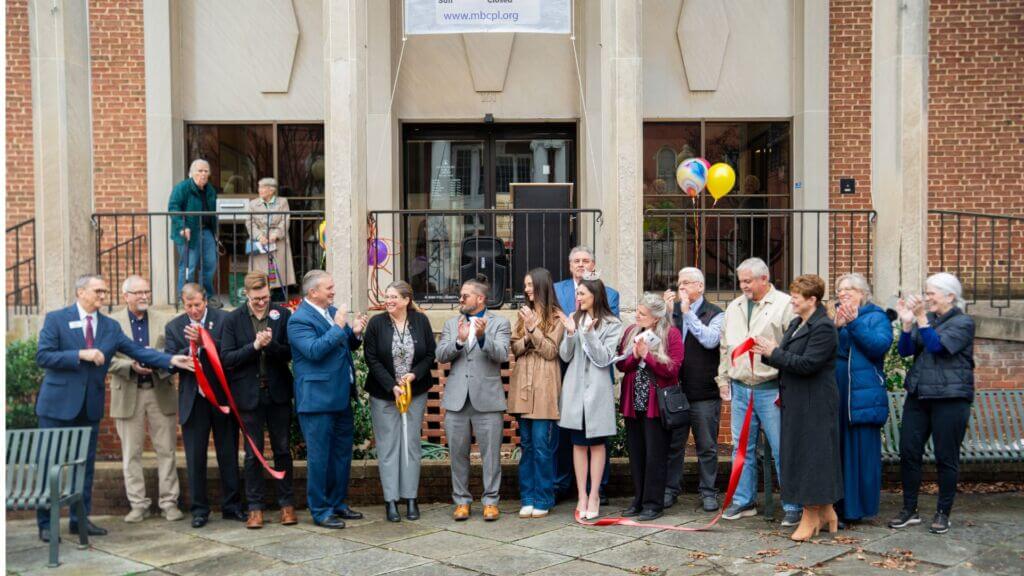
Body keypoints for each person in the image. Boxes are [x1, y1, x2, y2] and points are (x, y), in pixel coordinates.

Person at [35, 275, 193, 543]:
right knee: (49, 463)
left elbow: (137, 351)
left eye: (105, 291)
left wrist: (170, 360)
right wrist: (80, 354)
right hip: (57, 405)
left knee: (84, 466)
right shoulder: (56, 319)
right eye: (98, 291)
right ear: (81, 292)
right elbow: (43, 356)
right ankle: (45, 523)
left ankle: (79, 520)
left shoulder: (109, 326)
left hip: (90, 406)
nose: (103, 295)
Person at [717, 257, 803, 526]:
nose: (743, 286)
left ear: (764, 279)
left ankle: (793, 504)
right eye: (740, 281)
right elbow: (725, 347)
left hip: (771, 389)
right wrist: (722, 379)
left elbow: (795, 347)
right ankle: (744, 501)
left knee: (781, 448)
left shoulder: (785, 305)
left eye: (748, 281)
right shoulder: (734, 307)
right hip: (741, 387)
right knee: (741, 448)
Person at [756, 274, 842, 541]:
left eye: (796, 297)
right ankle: (827, 512)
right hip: (796, 401)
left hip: (815, 403)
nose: (791, 301)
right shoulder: (796, 323)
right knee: (802, 455)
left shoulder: (823, 328)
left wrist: (774, 353)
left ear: (812, 300)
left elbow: (807, 364)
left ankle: (811, 516)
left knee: (811, 459)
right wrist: (766, 352)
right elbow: (786, 357)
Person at [889, 273, 975, 535]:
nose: (927, 298)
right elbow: (906, 351)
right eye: (926, 293)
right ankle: (910, 510)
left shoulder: (963, 322)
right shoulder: (928, 319)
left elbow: (937, 347)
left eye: (931, 294)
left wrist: (921, 319)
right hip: (919, 395)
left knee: (946, 457)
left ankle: (943, 513)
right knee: (909, 452)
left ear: (950, 296)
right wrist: (907, 324)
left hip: (950, 398)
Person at [288, 270, 368, 529]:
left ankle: (337, 503)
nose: (333, 291)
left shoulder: (331, 311)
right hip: (316, 401)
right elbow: (314, 351)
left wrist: (355, 333)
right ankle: (320, 510)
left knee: (341, 455)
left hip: (341, 396)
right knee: (320, 458)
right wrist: (338, 327)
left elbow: (344, 345)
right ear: (313, 292)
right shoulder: (298, 320)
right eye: (329, 288)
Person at [220, 271, 296, 529]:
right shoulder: (233, 319)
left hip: (278, 393)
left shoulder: (282, 315)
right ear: (246, 295)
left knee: (282, 449)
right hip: (248, 395)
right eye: (256, 299)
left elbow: (290, 353)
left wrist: (270, 345)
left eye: (265, 297)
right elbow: (227, 358)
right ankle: (255, 507)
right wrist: (254, 346)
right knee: (253, 454)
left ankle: (287, 505)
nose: (262, 302)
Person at [165, 283, 243, 528]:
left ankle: (232, 506)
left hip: (221, 399)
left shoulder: (224, 320)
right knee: (195, 458)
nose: (194, 310)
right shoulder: (174, 326)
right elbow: (169, 361)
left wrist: (204, 341)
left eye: (197, 305)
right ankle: (199, 510)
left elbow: (230, 353)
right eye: (189, 306)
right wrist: (187, 350)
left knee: (228, 454)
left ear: (205, 301)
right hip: (193, 400)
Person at [436, 276, 512, 522]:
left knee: (491, 455)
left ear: (480, 298)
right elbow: (441, 354)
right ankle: (461, 501)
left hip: (487, 399)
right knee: (458, 454)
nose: (460, 299)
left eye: (465, 295)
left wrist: (482, 338)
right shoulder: (452, 323)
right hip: (457, 399)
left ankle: (491, 502)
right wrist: (459, 341)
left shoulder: (500, 323)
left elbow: (502, 354)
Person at [109, 276, 183, 523]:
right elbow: (106, 358)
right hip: (128, 392)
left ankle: (169, 503)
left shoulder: (164, 320)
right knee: (131, 453)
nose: (144, 296)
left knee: (167, 450)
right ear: (125, 296)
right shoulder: (112, 323)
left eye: (146, 291)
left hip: (159, 389)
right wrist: (129, 366)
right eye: (138, 292)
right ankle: (138, 505)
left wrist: (156, 361)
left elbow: (173, 351)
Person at [363, 281, 436, 522]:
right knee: (388, 447)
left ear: (406, 300)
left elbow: (430, 354)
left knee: (411, 445)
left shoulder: (420, 321)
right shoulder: (376, 323)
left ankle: (411, 498)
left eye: (394, 297)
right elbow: (371, 358)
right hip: (384, 394)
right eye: (387, 296)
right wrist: (392, 385)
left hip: (415, 393)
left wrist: (413, 375)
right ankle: (391, 501)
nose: (389, 301)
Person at [552, 246, 619, 506]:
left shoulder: (612, 322)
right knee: (577, 443)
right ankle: (581, 495)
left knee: (597, 442)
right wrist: (570, 333)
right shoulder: (573, 317)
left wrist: (589, 333)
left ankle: (595, 494)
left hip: (598, 388)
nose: (577, 298)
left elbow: (603, 358)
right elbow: (565, 355)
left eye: (581, 294)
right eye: (576, 261)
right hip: (574, 386)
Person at [616, 293, 684, 522]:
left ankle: (653, 504)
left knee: (655, 455)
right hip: (634, 401)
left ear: (656, 318)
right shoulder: (631, 332)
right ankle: (638, 500)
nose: (637, 315)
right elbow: (621, 365)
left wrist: (649, 356)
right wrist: (635, 355)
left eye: (642, 313)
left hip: (657, 404)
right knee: (636, 454)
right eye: (637, 311)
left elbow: (673, 370)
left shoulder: (671, 335)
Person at [663, 267, 725, 512]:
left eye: (687, 283)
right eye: (680, 283)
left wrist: (688, 314)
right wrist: (668, 314)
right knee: (674, 445)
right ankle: (670, 489)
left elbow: (710, 340)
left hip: (704, 391)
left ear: (700, 286)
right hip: (676, 391)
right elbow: (664, 342)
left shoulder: (716, 313)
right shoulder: (673, 311)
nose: (682, 287)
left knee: (707, 446)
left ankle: (708, 491)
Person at [832, 273, 893, 525]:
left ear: (863, 293)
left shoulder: (876, 317)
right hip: (837, 389)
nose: (843, 292)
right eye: (840, 289)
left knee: (860, 450)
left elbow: (879, 346)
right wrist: (835, 328)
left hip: (862, 393)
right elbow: (826, 350)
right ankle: (835, 506)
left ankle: (856, 509)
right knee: (838, 449)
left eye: (850, 288)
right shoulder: (836, 317)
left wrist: (854, 323)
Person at [508, 268, 564, 519]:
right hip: (523, 385)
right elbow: (515, 347)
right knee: (527, 445)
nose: (527, 289)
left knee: (542, 446)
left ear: (542, 286)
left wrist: (533, 330)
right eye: (526, 285)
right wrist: (529, 333)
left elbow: (551, 351)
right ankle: (527, 498)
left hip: (544, 386)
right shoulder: (523, 314)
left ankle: (543, 498)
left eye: (530, 285)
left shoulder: (557, 316)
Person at [169, 159, 222, 307]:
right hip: (189, 232)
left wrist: (215, 232)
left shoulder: (210, 190)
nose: (203, 174)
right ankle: (185, 299)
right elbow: (173, 208)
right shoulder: (182, 188)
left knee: (210, 264)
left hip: (206, 231)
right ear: (191, 173)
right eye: (199, 171)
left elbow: (213, 211)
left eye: (206, 171)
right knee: (189, 267)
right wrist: (182, 227)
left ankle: (206, 297)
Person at [245, 178, 296, 301]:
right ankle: (261, 295)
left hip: (277, 241)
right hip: (260, 242)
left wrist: (276, 235)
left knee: (278, 270)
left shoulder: (282, 202)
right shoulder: (253, 204)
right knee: (260, 271)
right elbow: (249, 222)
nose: (260, 190)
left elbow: (285, 220)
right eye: (259, 187)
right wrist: (259, 236)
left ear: (271, 190)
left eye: (263, 187)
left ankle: (278, 296)